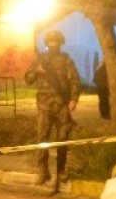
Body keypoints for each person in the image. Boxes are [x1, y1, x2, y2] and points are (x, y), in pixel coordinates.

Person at [24, 30, 80, 189]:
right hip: (44, 105)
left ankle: (61, 170)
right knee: (42, 138)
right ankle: (43, 171)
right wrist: (37, 71)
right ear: (47, 43)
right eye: (50, 42)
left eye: (56, 42)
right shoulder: (39, 60)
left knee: (62, 139)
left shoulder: (66, 60)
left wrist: (73, 100)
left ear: (60, 43)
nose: (53, 44)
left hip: (61, 105)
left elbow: (75, 80)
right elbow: (27, 79)